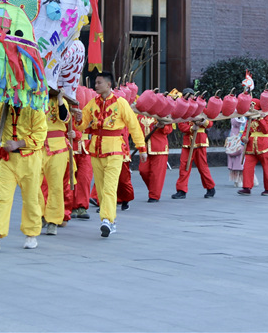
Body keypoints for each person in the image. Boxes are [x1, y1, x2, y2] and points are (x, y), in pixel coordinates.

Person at [76, 71, 146, 237]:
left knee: (109, 186)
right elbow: (81, 126)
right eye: (95, 82)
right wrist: (78, 118)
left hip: (114, 150)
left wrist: (141, 147)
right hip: (95, 151)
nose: (96, 85)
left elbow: (134, 125)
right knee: (100, 188)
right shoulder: (92, 104)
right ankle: (111, 221)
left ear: (108, 84)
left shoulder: (121, 103)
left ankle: (106, 219)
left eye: (99, 82)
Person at [0, 99, 48, 251]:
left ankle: (31, 235)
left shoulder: (35, 107)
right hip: (8, 160)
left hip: (30, 159)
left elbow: (40, 135)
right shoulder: (3, 106)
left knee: (31, 198)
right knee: (3, 198)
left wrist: (18, 144)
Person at [41, 92, 74, 235]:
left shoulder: (61, 101)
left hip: (58, 147)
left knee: (55, 185)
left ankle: (53, 220)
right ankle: (39, 214)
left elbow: (65, 118)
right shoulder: (34, 98)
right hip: (37, 146)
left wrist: (60, 99)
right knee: (35, 184)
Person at [171, 105, 216, 199]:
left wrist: (203, 122)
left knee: (203, 166)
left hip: (200, 142)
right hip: (188, 142)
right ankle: (181, 190)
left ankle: (210, 187)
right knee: (184, 166)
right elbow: (181, 125)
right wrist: (191, 128)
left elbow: (210, 123)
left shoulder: (202, 109)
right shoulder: (183, 110)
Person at [238, 100, 268, 196]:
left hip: (264, 145)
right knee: (247, 166)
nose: (250, 108)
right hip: (251, 146)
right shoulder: (250, 119)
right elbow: (246, 131)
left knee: (267, 167)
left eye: (252, 106)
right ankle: (246, 187)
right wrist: (244, 138)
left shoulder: (266, 116)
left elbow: (267, 130)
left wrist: (261, 118)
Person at [138, 114, 172, 203]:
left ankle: (154, 195)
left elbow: (169, 129)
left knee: (156, 174)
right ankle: (154, 189)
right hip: (144, 149)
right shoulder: (139, 115)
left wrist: (163, 126)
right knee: (143, 170)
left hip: (159, 147)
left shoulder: (162, 113)